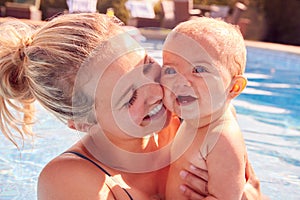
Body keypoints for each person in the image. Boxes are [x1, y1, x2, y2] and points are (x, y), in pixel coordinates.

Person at [0, 13, 262, 199]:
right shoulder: (70, 180)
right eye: (130, 98)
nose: (157, 92)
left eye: (148, 65)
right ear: (83, 123)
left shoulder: (198, 114)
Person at [161, 17, 261, 199]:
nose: (180, 81)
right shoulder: (199, 118)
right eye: (170, 71)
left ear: (233, 88)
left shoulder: (221, 138)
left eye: (199, 70)